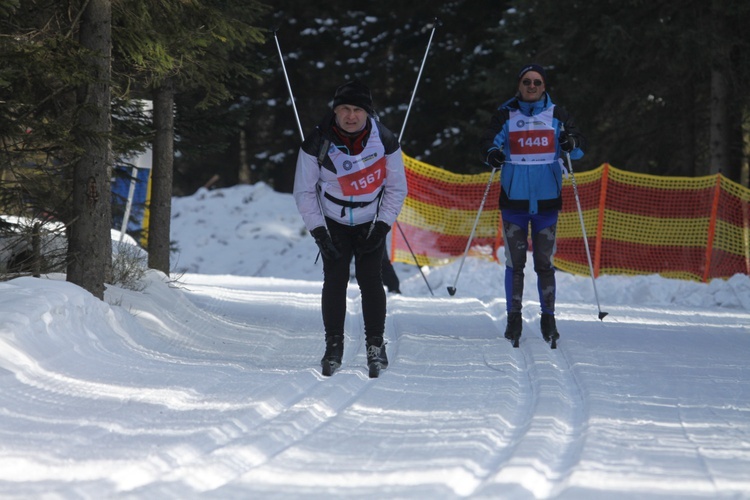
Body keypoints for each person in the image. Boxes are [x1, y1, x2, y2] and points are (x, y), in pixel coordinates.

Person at [293, 79, 408, 376]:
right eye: (344, 108)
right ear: (335, 111)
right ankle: (333, 345)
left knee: (371, 280)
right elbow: (304, 191)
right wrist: (319, 231)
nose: (351, 115)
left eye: (357, 109)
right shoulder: (317, 141)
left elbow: (397, 187)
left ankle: (375, 345)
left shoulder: (384, 139)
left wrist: (382, 226)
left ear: (367, 112)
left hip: (370, 220)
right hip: (333, 221)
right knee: (334, 280)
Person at [479, 63, 585, 346]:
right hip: (514, 201)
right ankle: (513, 318)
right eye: (527, 82)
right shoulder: (506, 114)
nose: (532, 87)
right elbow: (487, 142)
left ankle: (548, 318)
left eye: (537, 82)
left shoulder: (557, 114)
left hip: (547, 202)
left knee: (544, 264)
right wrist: (492, 154)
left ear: (544, 86)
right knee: (515, 264)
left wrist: (569, 141)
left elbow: (579, 147)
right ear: (519, 85)